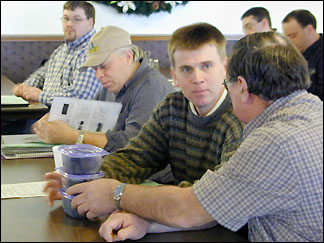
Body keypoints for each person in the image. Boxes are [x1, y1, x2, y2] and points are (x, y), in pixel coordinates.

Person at [76, 32, 322, 242]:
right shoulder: (312, 111)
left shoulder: (272, 141)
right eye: (186, 69)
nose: (198, 78)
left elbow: (193, 208)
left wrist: (115, 194)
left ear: (242, 87)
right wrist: (147, 221)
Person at [43, 22, 245, 213]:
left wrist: (126, 199)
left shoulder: (241, 117)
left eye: (207, 66)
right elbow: (136, 158)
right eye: (186, 69)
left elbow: (216, 196)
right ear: (174, 76)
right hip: (177, 212)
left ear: (224, 68)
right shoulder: (172, 107)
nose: (198, 78)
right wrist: (81, 181)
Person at [32, 26, 175, 152]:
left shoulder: (150, 88)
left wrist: (72, 136)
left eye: (104, 66)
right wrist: (56, 119)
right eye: (95, 68)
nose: (98, 75)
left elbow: (133, 145)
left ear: (128, 57)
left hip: (154, 179)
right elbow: (86, 118)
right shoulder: (111, 84)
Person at [12, 1, 102, 106]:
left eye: (76, 19)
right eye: (66, 18)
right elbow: (42, 74)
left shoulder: (92, 51)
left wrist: (40, 95)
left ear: (90, 23)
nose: (69, 24)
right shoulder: (63, 48)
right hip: (47, 112)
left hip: (71, 119)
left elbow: (80, 97)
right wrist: (25, 88)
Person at [282, 9, 323, 101]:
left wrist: (294, 81)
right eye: (287, 37)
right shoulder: (298, 52)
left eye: (293, 36)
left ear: (309, 29)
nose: (290, 42)